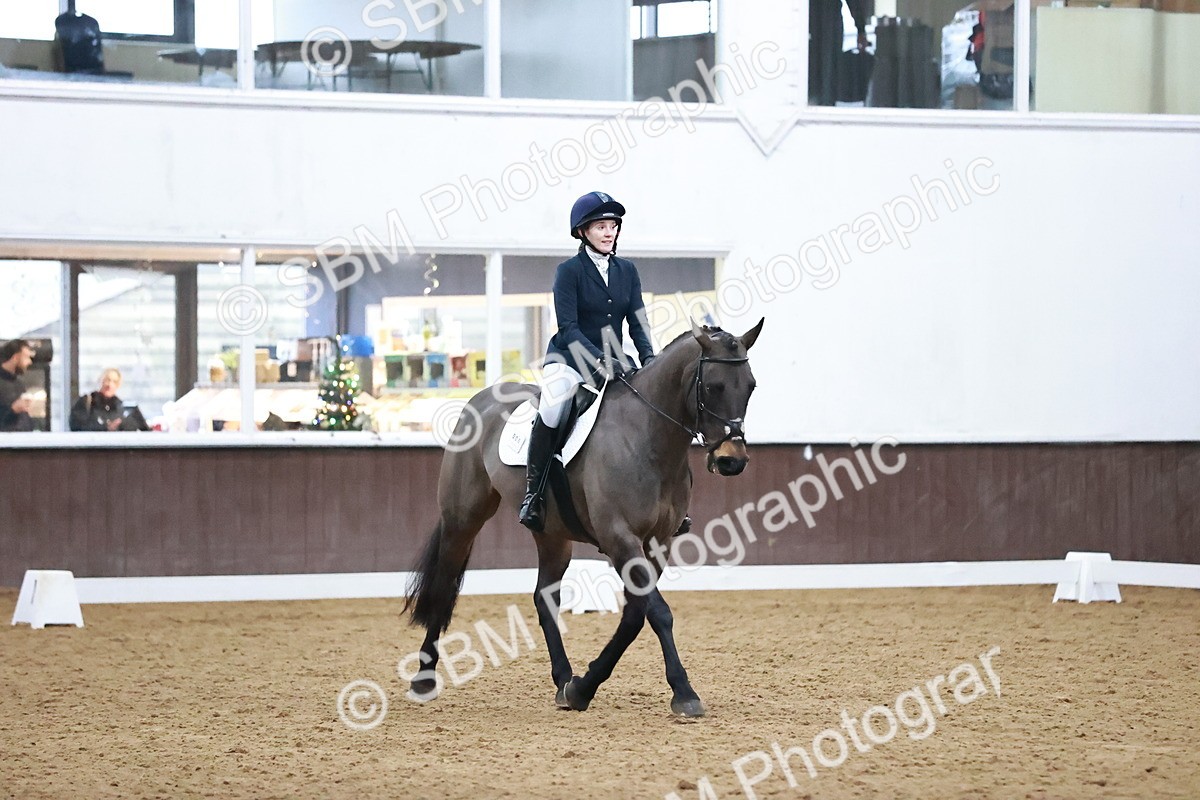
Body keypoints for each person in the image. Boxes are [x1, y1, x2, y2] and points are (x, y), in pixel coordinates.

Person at [518, 191, 657, 533]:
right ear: (582, 232)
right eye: (600, 226)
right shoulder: (569, 271)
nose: (609, 232)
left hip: (615, 359)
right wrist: (597, 360)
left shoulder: (627, 270)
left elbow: (637, 322)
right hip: (569, 358)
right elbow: (568, 327)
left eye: (612, 226)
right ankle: (533, 495)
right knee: (551, 409)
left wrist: (650, 361)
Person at [810, 0, 870, 106]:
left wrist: (861, 28)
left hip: (823, 20)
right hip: (826, 20)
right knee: (826, 73)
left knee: (825, 73)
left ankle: (822, 103)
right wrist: (860, 29)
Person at [0, 339, 37, 432]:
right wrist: (13, 410)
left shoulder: (19, 383)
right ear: (16, 357)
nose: (29, 362)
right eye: (26, 357)